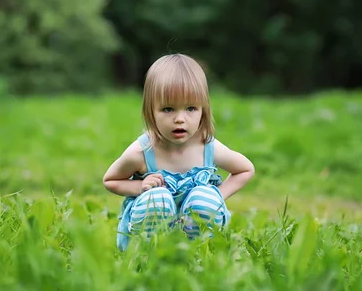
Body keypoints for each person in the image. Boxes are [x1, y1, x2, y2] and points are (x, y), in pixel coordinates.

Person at [102, 53, 255, 251]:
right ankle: (147, 255)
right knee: (157, 199)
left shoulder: (206, 147)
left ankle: (200, 252)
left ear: (203, 110)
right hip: (149, 230)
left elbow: (245, 169)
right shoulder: (142, 151)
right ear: (151, 110)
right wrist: (140, 187)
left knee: (204, 198)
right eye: (168, 109)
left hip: (195, 228)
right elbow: (110, 180)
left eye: (191, 108)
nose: (180, 119)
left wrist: (217, 195)